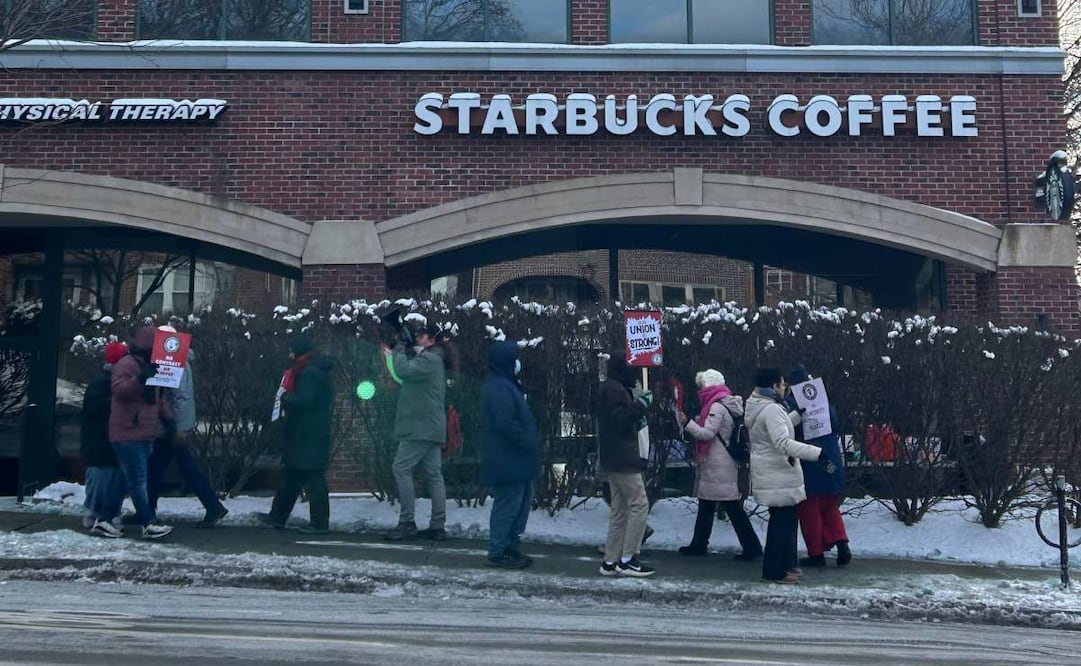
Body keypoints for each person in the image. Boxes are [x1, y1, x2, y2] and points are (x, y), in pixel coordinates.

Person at [744, 367, 829, 584]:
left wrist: (796, 416)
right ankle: (774, 571)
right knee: (781, 524)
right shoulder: (771, 409)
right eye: (782, 384)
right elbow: (781, 442)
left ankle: (784, 565)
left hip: (773, 472)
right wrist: (817, 453)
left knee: (785, 521)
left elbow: (778, 428)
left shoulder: (761, 405)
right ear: (773, 386)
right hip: (777, 473)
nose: (785, 388)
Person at [675, 369, 763, 561]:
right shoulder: (725, 403)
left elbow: (707, 434)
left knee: (730, 507)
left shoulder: (716, 406)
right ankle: (700, 543)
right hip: (721, 462)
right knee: (709, 505)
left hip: (717, 463)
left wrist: (688, 422)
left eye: (701, 386)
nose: (699, 390)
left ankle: (751, 547)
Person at [147, 325, 228, 528]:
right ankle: (212, 506)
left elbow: (179, 397)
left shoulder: (174, 362)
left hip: (171, 426)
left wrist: (179, 428)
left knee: (172, 467)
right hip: (171, 425)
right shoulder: (179, 360)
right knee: (167, 467)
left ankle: (212, 506)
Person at [259, 334, 334, 534]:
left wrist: (285, 398)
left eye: (291, 349)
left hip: (308, 434)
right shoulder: (313, 369)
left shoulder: (309, 373)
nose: (289, 352)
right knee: (292, 475)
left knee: (313, 478)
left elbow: (305, 401)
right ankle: (277, 516)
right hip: (308, 433)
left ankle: (319, 523)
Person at [385, 323, 450, 541]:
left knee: (401, 468)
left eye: (421, 336)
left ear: (430, 340)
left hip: (419, 428)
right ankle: (437, 525)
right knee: (434, 475)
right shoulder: (436, 359)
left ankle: (406, 522)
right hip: (431, 427)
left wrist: (399, 347)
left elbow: (403, 370)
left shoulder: (428, 360)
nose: (417, 340)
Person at [109, 324, 174, 539]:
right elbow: (119, 390)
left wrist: (169, 420)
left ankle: (104, 518)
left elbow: (158, 395)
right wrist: (140, 379)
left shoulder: (149, 365)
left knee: (124, 479)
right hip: (129, 431)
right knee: (138, 480)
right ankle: (147, 522)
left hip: (143, 431)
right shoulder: (127, 364)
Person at [480, 341, 539, 569]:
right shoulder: (500, 388)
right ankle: (499, 549)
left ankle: (510, 545)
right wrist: (527, 441)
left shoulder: (507, 385)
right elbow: (505, 423)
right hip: (508, 458)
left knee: (521, 504)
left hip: (515, 459)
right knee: (508, 506)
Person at [595, 355, 655, 578]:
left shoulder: (610, 388)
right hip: (624, 457)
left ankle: (611, 560)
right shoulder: (616, 391)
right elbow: (620, 420)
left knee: (620, 509)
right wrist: (640, 405)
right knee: (640, 504)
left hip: (613, 456)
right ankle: (629, 558)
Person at [786, 365, 851, 567]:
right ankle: (842, 545)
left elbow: (786, 431)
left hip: (809, 461)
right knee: (830, 507)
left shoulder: (791, 405)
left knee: (809, 509)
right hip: (831, 459)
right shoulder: (825, 404)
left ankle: (816, 554)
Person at [81, 341, 129, 538]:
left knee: (106, 478)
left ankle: (99, 513)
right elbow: (97, 408)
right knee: (105, 479)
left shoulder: (102, 382)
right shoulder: (105, 383)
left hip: (103, 442)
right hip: (104, 442)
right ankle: (103, 513)